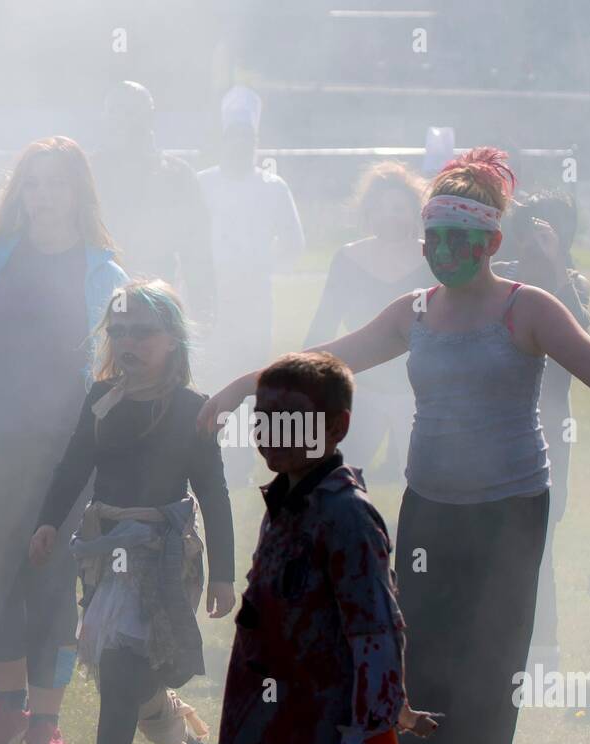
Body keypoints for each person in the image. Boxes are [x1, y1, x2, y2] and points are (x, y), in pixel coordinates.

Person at [200, 147, 590, 744]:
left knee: (490, 660)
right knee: (427, 659)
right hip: (430, 507)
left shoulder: (526, 308)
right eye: (433, 240)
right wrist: (243, 385)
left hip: (509, 510)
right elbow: (331, 356)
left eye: (459, 240)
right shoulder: (415, 313)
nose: (442, 252)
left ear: (491, 242)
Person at [0, 137, 128, 744]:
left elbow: (119, 382)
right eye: (32, 184)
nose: (42, 196)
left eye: (56, 184)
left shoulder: (104, 274)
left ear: (80, 192)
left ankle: (46, 725)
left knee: (49, 590)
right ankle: (7, 707)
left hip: (65, 465)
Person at [215, 351, 434, 744]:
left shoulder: (347, 517)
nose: (274, 432)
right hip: (280, 731)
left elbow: (377, 629)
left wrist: (374, 725)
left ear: (337, 427)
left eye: (294, 420)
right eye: (264, 419)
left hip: (325, 742)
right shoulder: (285, 505)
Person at [30, 279, 236, 744]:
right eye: (118, 332)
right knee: (123, 669)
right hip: (105, 549)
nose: (129, 343)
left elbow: (213, 492)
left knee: (124, 662)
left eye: (143, 332)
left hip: (162, 557)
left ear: (172, 339)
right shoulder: (101, 399)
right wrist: (49, 520)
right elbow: (73, 465)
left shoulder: (193, 408)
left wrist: (223, 576)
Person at [493, 190, 590, 674]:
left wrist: (554, 271)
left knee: (540, 538)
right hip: (493, 422)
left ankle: (544, 649)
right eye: (533, 228)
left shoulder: (573, 283)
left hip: (550, 426)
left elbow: (583, 341)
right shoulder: (498, 277)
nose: (540, 238)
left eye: (551, 230)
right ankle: (488, 641)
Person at [302, 161, 426, 482]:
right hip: (361, 389)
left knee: (424, 483)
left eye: (399, 209)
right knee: (336, 478)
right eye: (383, 209)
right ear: (369, 213)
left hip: (420, 392)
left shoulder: (432, 257)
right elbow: (324, 323)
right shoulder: (347, 258)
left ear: (415, 213)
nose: (391, 217)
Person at [197, 85, 306, 386]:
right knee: (208, 370)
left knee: (250, 371)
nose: (240, 144)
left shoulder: (273, 186)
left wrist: (262, 267)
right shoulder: (202, 184)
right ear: (223, 140)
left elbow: (293, 242)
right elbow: (186, 238)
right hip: (209, 292)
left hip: (254, 295)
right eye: (235, 136)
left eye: (248, 138)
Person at [93, 81, 215, 321]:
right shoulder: (89, 172)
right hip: (100, 298)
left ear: (148, 118)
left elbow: (197, 248)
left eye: (130, 114)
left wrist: (203, 305)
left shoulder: (177, 175)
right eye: (116, 113)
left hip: (156, 299)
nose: (123, 123)